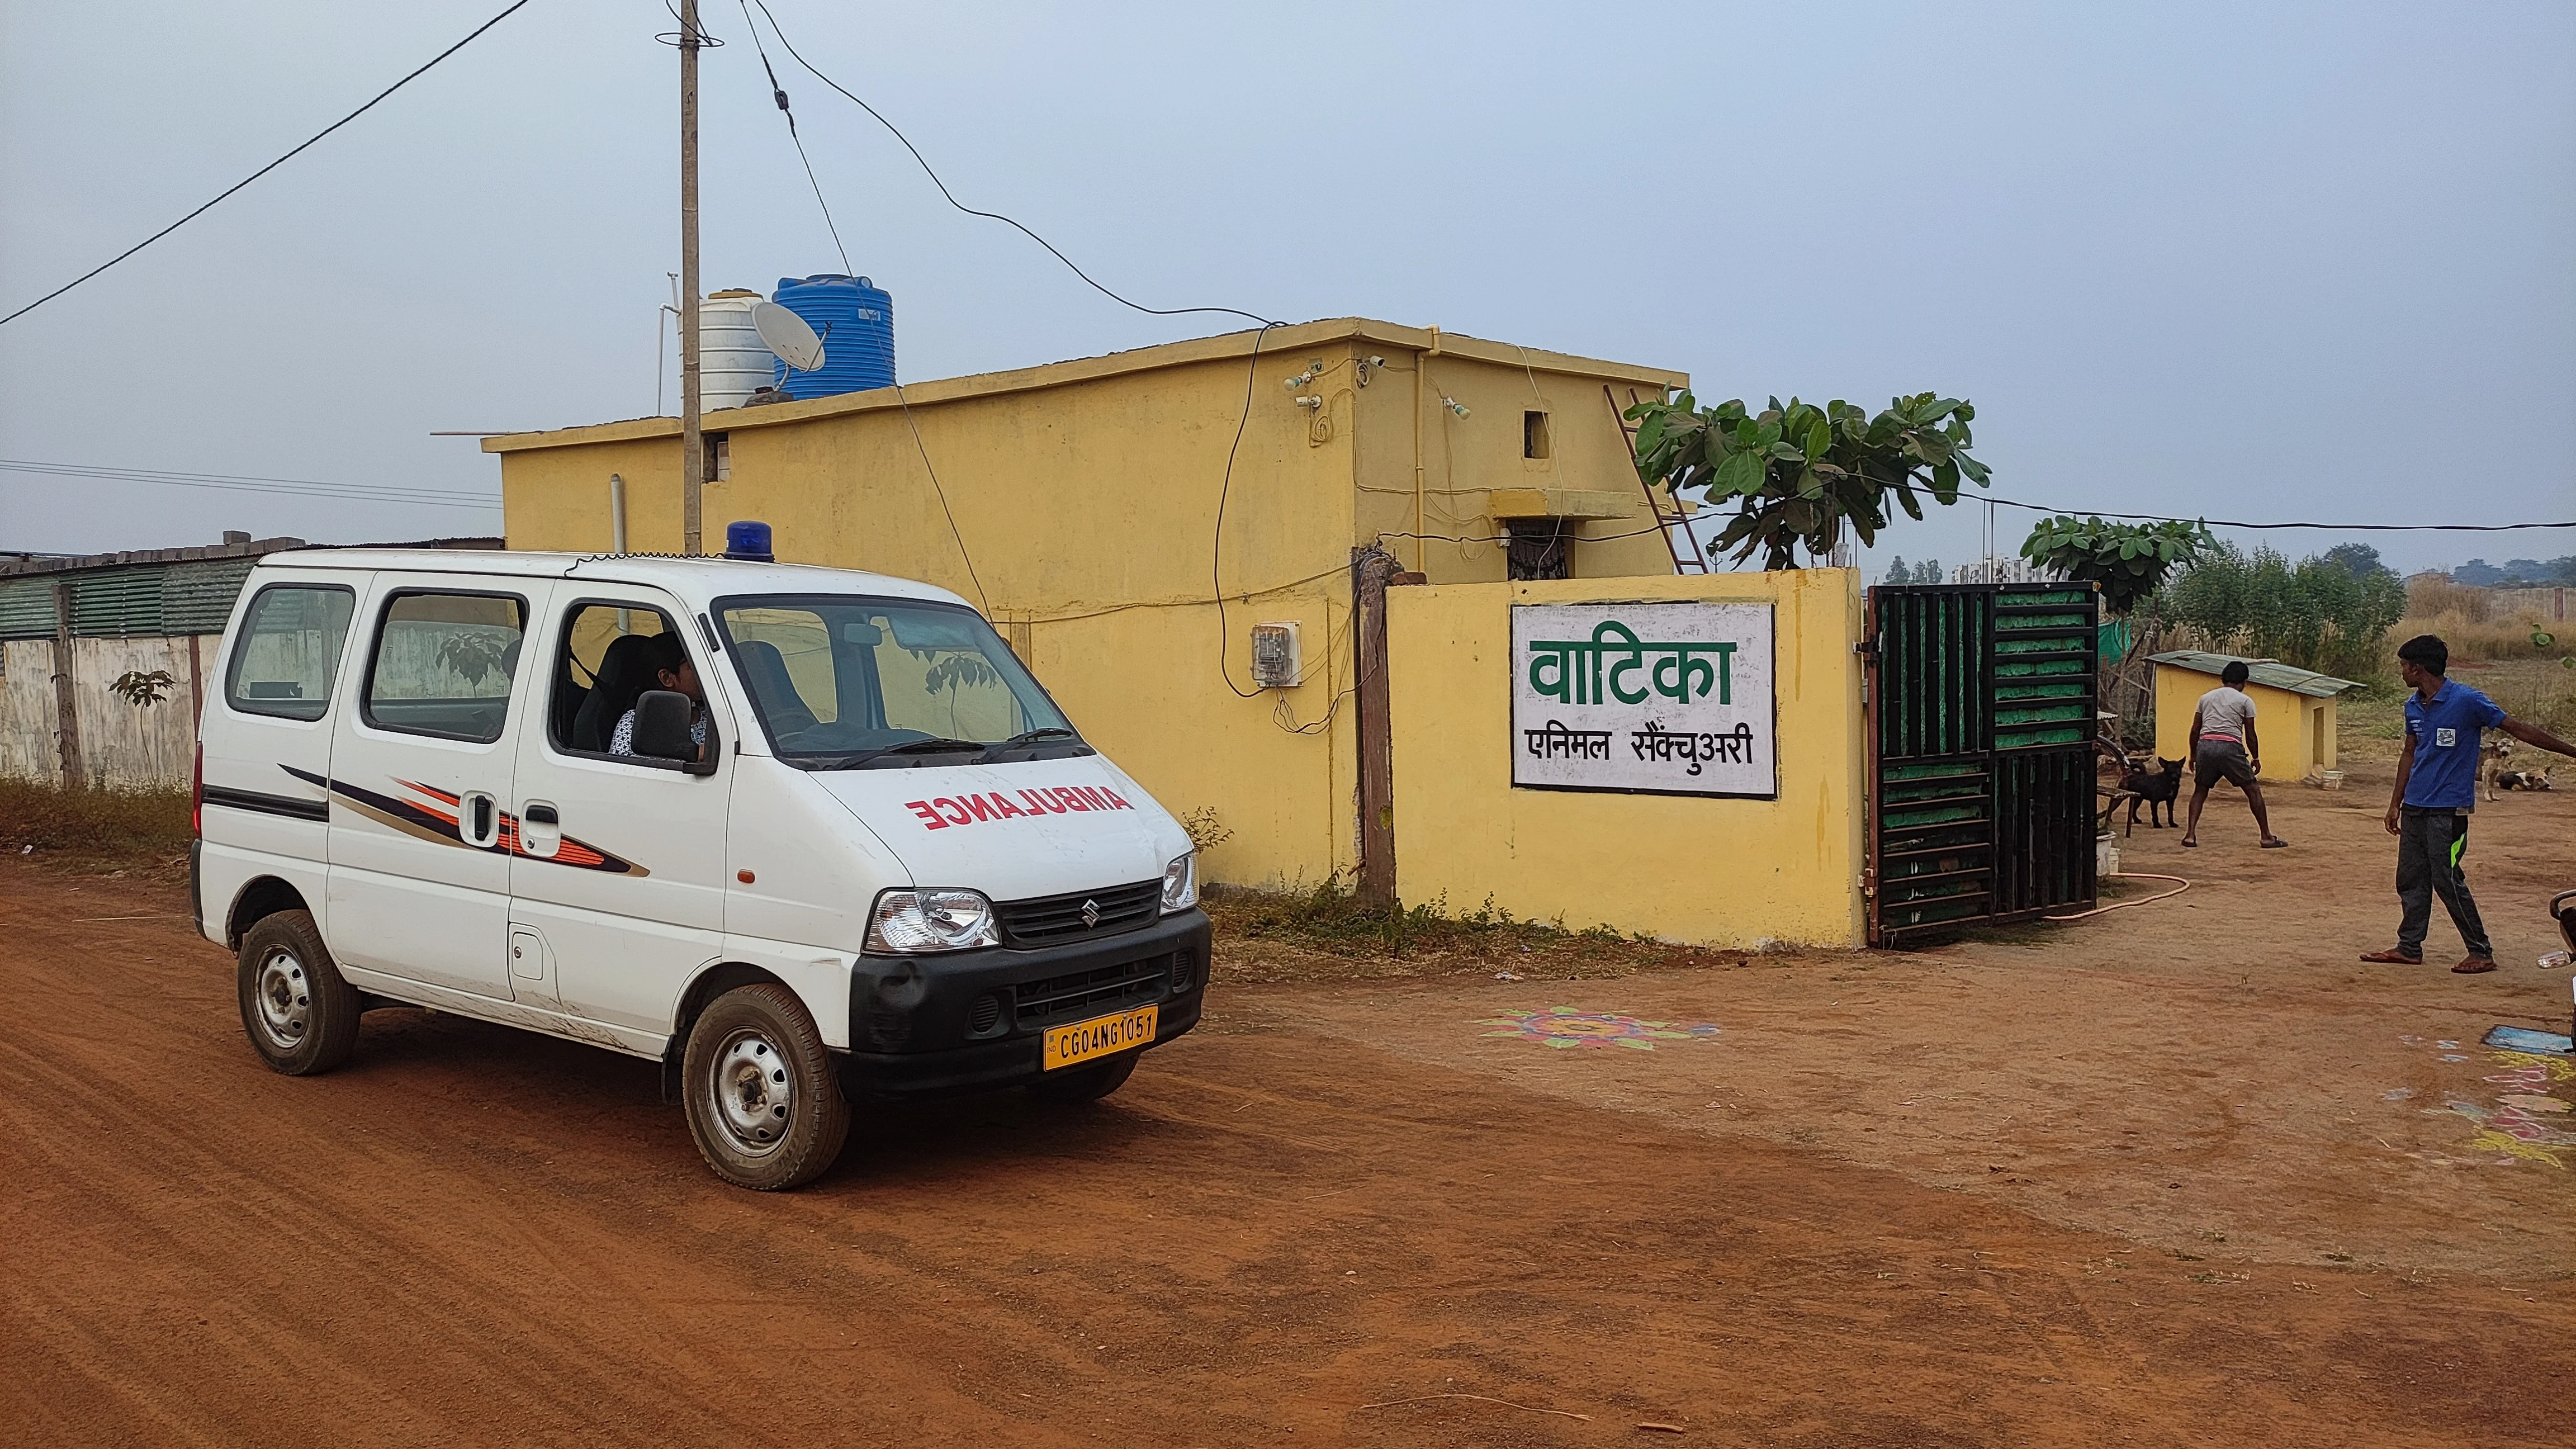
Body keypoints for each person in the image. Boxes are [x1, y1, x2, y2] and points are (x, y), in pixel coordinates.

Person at [2360, 634, 2576, 973]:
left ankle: (2481, 951)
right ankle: (2409, 948)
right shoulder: (2413, 706)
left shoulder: (2467, 701)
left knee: (2447, 878)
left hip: (2449, 811)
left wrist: (2571, 751)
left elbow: (2518, 729)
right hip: (2416, 807)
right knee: (2410, 877)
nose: (2401, 672)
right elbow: (2409, 752)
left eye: (2404, 666)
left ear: (2417, 668)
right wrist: (2395, 803)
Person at [2181, 660, 2285, 849]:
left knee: (2200, 790)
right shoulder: (2245, 701)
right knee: (2253, 790)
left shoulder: (2206, 698)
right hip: (2230, 747)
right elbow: (2250, 733)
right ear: (2243, 681)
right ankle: (2266, 837)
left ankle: (2190, 835)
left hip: (2205, 746)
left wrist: (2194, 755)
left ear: (2224, 678)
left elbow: (2195, 729)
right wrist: (2255, 757)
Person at [609, 631, 707, 761]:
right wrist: (699, 756)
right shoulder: (634, 725)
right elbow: (628, 776)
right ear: (666, 678)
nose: (705, 671)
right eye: (694, 665)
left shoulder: (716, 718)